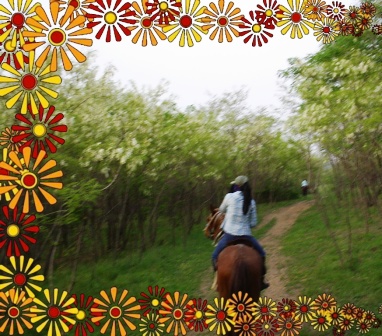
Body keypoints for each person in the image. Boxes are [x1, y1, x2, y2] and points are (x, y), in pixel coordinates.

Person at [211, 175, 269, 290]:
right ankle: (261, 281)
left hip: (229, 236)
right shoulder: (251, 201)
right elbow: (253, 223)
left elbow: (221, 210)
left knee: (214, 256)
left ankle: (219, 282)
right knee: (262, 254)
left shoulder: (229, 197)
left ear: (237, 186)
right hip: (246, 236)